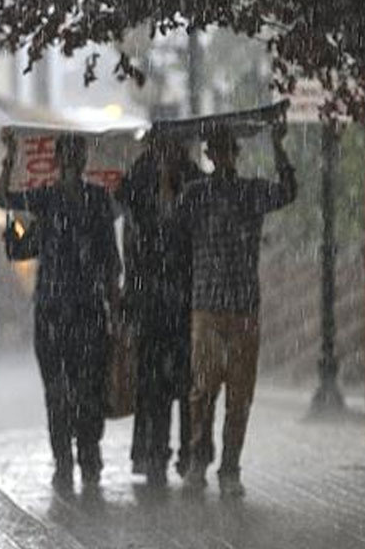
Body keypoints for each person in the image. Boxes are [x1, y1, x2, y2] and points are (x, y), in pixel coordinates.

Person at [176, 119, 296, 497]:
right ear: (210, 155)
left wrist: (279, 148)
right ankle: (199, 458)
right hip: (208, 306)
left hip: (242, 306)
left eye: (227, 149)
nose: (222, 156)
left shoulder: (251, 192)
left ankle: (230, 467)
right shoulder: (195, 194)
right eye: (216, 150)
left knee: (239, 395)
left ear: (234, 154)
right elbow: (170, 222)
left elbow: (288, 191)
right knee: (202, 390)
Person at [0, 134, 121, 493]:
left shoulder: (97, 201)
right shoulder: (46, 200)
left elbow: (110, 261)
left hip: (86, 310)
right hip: (53, 311)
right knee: (58, 390)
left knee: (88, 387)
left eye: (75, 155)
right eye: (67, 155)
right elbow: (8, 201)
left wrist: (114, 308)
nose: (72, 162)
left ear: (81, 160)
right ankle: (65, 458)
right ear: (59, 160)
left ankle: (87, 453)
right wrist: (10, 158)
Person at [115, 135, 203, 487]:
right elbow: (128, 211)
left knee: (185, 383)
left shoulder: (192, 178)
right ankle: (155, 453)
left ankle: (187, 453)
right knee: (153, 384)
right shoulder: (140, 177)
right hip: (150, 299)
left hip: (183, 299)